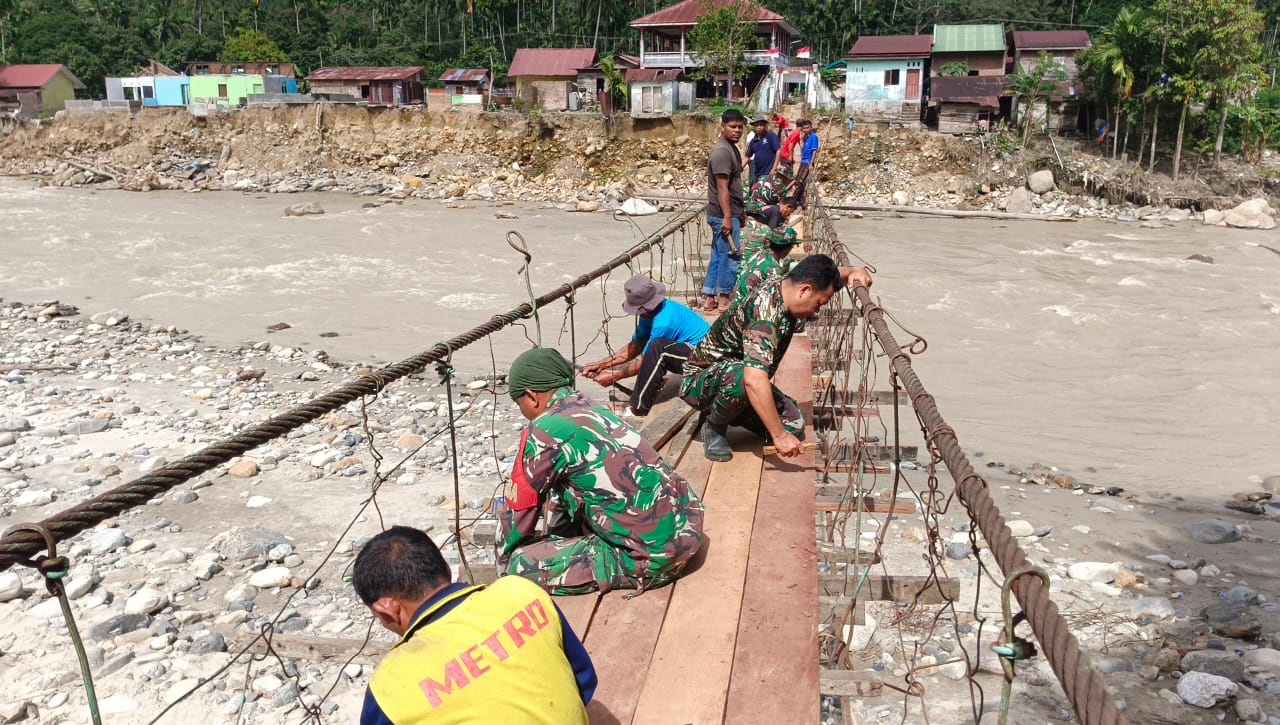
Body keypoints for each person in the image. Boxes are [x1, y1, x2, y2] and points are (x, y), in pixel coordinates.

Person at [499, 348, 705, 595]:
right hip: (688, 528)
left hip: (653, 559)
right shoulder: (592, 407)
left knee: (518, 566)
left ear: (532, 397)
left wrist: (506, 564)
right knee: (561, 487)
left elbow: (519, 510)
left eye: (519, 402)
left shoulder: (543, 431)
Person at [354, 525, 597, 724]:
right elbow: (584, 679)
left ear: (386, 608)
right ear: (447, 571)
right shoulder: (520, 592)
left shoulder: (390, 683)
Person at [681, 255, 851, 462]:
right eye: (818, 304)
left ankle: (729, 409)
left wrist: (852, 272)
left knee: (794, 425)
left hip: (734, 378)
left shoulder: (784, 282)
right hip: (700, 381)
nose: (816, 311)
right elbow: (753, 379)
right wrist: (778, 436)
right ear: (804, 290)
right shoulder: (764, 318)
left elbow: (823, 277)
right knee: (745, 379)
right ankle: (714, 424)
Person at [580, 275, 710, 417]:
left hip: (706, 359)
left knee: (658, 350)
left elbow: (646, 360)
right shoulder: (650, 314)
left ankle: (639, 408)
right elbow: (635, 346)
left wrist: (615, 376)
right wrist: (601, 365)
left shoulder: (663, 323)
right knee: (656, 349)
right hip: (686, 352)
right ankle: (647, 391)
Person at [734, 227, 873, 305]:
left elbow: (794, 268)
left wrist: (852, 270)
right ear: (788, 247)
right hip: (749, 309)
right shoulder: (773, 270)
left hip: (739, 301)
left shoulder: (761, 255)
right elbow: (780, 300)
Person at [704, 108, 747, 312]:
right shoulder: (722, 152)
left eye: (740, 127)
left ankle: (710, 297)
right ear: (722, 127)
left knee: (718, 255)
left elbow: (733, 185)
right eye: (732, 126)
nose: (737, 130)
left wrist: (741, 212)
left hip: (726, 213)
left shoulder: (731, 148)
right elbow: (722, 187)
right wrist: (728, 217)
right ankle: (723, 298)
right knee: (731, 255)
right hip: (723, 215)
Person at [743, 115, 780, 187]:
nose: (759, 127)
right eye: (757, 125)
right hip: (758, 172)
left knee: (766, 194)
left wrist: (774, 168)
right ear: (754, 127)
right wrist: (738, 169)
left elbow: (778, 150)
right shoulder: (753, 141)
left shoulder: (770, 136)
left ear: (765, 126)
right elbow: (747, 157)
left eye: (761, 125)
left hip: (768, 172)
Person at [793, 120, 820, 204]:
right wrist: (801, 140)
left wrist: (811, 164)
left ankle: (793, 200)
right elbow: (802, 149)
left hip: (808, 162)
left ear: (811, 128)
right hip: (803, 161)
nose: (805, 129)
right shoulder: (805, 137)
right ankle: (801, 201)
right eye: (804, 128)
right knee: (799, 181)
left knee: (800, 181)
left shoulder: (813, 137)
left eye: (807, 128)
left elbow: (814, 152)